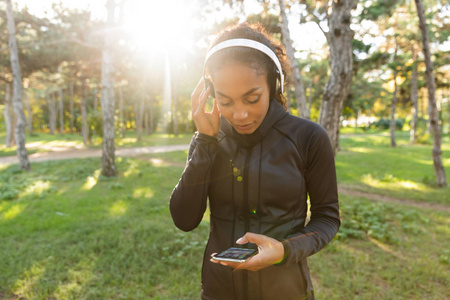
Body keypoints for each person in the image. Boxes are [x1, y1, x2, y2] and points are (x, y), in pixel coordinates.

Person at [170, 22, 340, 300]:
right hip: (219, 290)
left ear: (274, 85)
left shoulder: (308, 137)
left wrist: (285, 250)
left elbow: (327, 218)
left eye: (252, 99)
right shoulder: (209, 138)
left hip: (286, 291)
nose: (239, 115)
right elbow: (185, 219)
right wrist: (205, 141)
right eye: (225, 101)